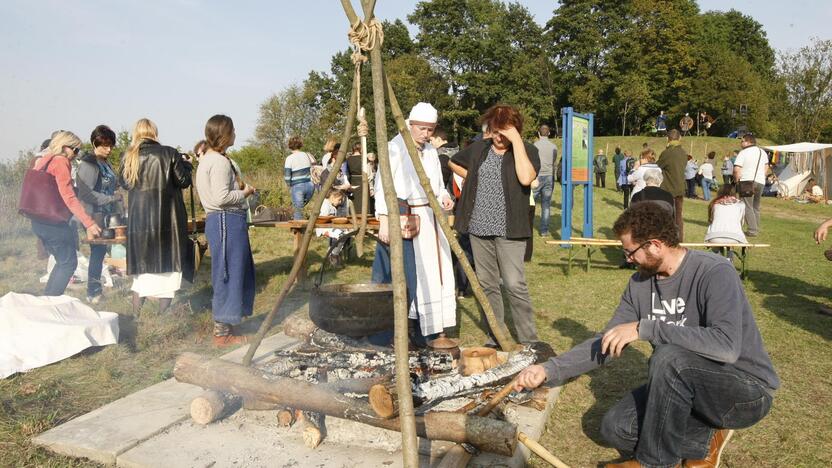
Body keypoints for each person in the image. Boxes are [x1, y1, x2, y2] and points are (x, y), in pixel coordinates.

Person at [514, 202, 779, 468]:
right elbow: (609, 340)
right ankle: (705, 435)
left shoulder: (715, 271)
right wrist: (549, 369)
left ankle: (654, 462)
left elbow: (726, 347)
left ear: (655, 244)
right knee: (616, 429)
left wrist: (646, 327)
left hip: (745, 391)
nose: (627, 260)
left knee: (669, 356)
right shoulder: (640, 284)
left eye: (630, 252)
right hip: (682, 385)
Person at [450, 104, 540, 346]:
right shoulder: (480, 148)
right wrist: (472, 178)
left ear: (515, 130)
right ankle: (496, 335)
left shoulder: (528, 150)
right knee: (488, 284)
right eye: (495, 132)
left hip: (510, 230)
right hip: (479, 228)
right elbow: (453, 162)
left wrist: (517, 142)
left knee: (514, 284)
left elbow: (525, 178)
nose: (498, 138)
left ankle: (529, 340)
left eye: (504, 132)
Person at [372, 102, 456, 347]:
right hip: (404, 215)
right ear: (410, 125)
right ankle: (393, 331)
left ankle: (428, 330)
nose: (426, 134)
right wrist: (384, 220)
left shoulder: (430, 151)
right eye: (422, 129)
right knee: (406, 275)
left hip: (430, 219)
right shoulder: (395, 148)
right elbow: (381, 186)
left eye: (430, 130)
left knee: (432, 274)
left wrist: (445, 197)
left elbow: (438, 185)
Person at [195, 115, 256, 346]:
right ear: (224, 134)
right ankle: (222, 334)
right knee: (227, 273)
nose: (236, 134)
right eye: (233, 130)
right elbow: (221, 198)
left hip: (222, 220)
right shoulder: (218, 162)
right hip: (225, 220)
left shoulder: (209, 159)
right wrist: (245, 193)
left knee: (230, 271)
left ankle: (227, 325)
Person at [121, 118, 193, 315]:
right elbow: (184, 181)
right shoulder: (169, 153)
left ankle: (136, 315)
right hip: (167, 221)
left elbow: (125, 184)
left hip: (140, 223)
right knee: (168, 271)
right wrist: (187, 165)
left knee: (142, 274)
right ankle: (161, 317)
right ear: (154, 133)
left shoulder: (129, 156)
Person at [29, 131, 102, 296]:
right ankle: (50, 304)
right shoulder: (61, 161)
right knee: (68, 263)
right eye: (75, 150)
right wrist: (88, 222)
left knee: (63, 261)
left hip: (38, 221)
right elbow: (68, 196)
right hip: (52, 221)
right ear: (64, 147)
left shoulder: (43, 160)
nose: (75, 155)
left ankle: (47, 300)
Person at [76, 125, 122, 303]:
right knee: (97, 252)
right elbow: (85, 193)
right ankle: (93, 292)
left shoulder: (106, 163)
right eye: (104, 145)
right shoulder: (89, 163)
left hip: (107, 214)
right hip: (93, 214)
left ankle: (95, 289)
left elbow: (111, 184)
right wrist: (110, 199)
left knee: (102, 252)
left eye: (111, 145)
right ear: (95, 143)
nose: (109, 149)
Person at [732, 134, 768, 237]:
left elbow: (737, 169)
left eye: (742, 141)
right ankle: (756, 227)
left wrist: (736, 181)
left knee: (747, 206)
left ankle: (752, 230)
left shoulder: (743, 152)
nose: (741, 143)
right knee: (755, 206)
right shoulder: (763, 152)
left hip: (747, 181)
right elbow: (766, 167)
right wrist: (761, 176)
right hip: (760, 181)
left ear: (748, 142)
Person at [657, 129, 687, 241]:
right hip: (680, 189)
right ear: (679, 138)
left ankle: (666, 239)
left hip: (667, 190)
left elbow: (658, 166)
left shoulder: (667, 153)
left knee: (666, 216)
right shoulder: (683, 152)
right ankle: (679, 240)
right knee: (678, 216)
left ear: (667, 139)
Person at [705, 184, 746, 253]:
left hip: (714, 237)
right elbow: (741, 222)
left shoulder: (714, 204)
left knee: (715, 249)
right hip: (734, 237)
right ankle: (729, 259)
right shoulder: (741, 204)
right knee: (730, 243)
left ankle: (716, 256)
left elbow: (710, 220)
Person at [284, 136, 316, 220]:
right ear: (301, 145)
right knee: (300, 207)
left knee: (298, 210)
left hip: (297, 186)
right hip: (310, 185)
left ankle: (298, 231)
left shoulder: (289, 158)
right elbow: (314, 165)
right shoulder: (307, 155)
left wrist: (289, 185)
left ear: (289, 145)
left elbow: (287, 176)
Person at [533, 125, 558, 236]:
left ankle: (526, 227)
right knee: (546, 205)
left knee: (530, 203)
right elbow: (553, 161)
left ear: (539, 133)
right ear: (548, 133)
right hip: (549, 176)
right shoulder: (554, 147)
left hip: (537, 176)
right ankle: (544, 231)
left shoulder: (535, 145)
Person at [317, 188, 350, 267]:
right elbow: (322, 218)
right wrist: (331, 218)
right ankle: (333, 255)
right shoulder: (325, 204)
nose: (340, 202)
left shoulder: (332, 205)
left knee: (346, 233)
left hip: (330, 227)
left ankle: (332, 252)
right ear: (333, 197)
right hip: (323, 228)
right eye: (339, 200)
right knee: (342, 235)